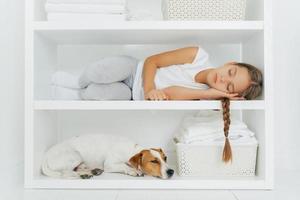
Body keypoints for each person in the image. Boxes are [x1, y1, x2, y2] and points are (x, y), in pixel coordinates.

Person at [51, 46, 263, 101]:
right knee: (101, 72)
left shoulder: (200, 94)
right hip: (136, 70)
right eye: (231, 72)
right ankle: (79, 81)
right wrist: (150, 88)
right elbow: (153, 61)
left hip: (133, 96)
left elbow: (170, 92)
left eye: (228, 87)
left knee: (100, 94)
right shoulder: (197, 55)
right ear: (230, 62)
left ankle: (79, 95)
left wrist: (209, 94)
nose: (224, 79)